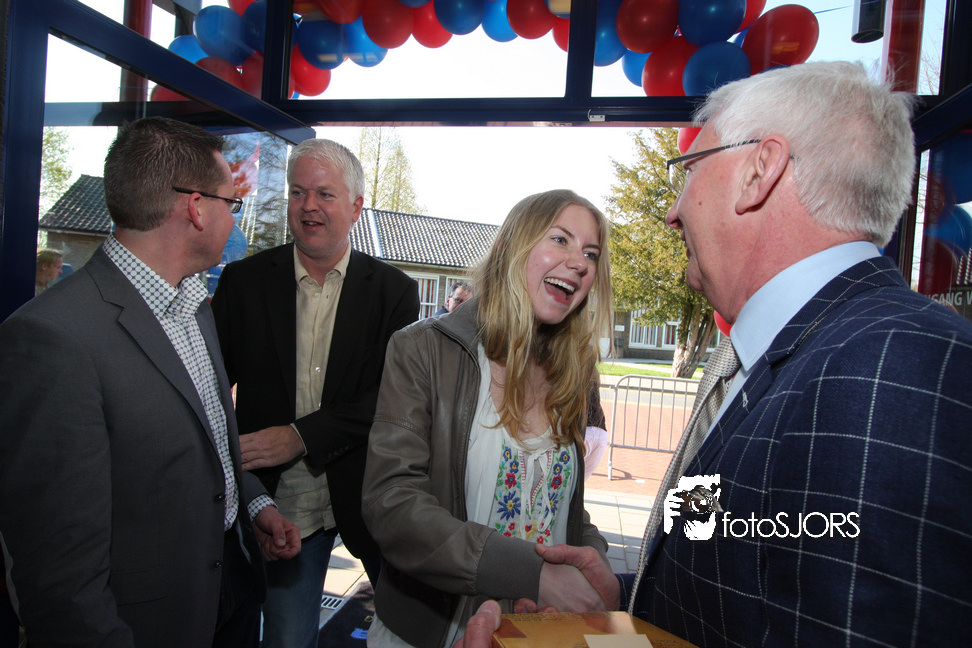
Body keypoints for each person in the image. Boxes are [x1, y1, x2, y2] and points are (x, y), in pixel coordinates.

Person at [463, 60, 972, 647]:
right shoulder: (754, 357)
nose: (672, 210)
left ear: (759, 171)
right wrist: (622, 596)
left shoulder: (893, 368)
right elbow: (741, 576)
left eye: (690, 169)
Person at [0, 117, 300, 648]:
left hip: (231, 588)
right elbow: (59, 577)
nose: (234, 219)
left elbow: (204, 443)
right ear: (196, 208)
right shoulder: (52, 338)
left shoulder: (192, 305)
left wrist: (253, 505)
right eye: (232, 204)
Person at [362, 189, 616, 648]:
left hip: (534, 634)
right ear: (506, 247)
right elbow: (391, 504)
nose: (579, 262)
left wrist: (593, 561)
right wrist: (532, 574)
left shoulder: (572, 372)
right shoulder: (423, 349)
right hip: (432, 632)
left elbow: (555, 504)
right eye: (560, 239)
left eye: (591, 253)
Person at [210, 138, 420, 648]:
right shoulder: (243, 282)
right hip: (281, 508)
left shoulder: (393, 291)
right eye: (297, 192)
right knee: (287, 637)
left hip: (368, 497)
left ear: (356, 206)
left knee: (408, 630)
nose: (308, 206)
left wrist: (300, 436)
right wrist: (249, 492)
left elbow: (390, 400)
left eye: (325, 194)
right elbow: (210, 392)